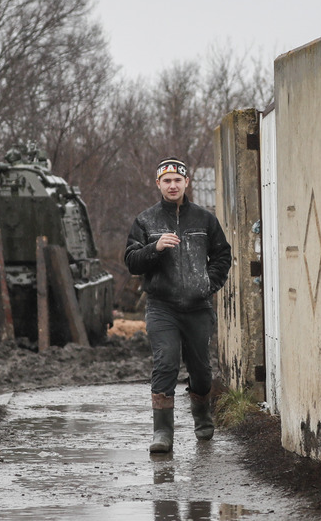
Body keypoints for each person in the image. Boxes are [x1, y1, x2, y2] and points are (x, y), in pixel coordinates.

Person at [124, 158, 232, 453]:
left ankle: (202, 417)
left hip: (198, 306)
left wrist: (207, 284)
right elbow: (131, 261)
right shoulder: (145, 221)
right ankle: (162, 432)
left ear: (187, 183)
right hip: (162, 306)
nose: (173, 185)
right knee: (166, 361)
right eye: (167, 180)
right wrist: (154, 248)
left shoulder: (205, 219)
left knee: (200, 369)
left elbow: (223, 255)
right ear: (158, 184)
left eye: (177, 180)